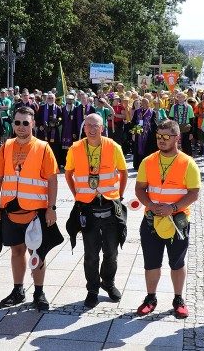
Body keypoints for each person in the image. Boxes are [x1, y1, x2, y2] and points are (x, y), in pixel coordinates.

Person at [0, 107, 63, 311]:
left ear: (33, 125)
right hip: (11, 209)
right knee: (16, 251)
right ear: (12, 124)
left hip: (35, 211)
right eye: (17, 123)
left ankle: (39, 292)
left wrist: (51, 208)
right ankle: (18, 290)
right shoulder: (5, 147)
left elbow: (52, 180)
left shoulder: (43, 147)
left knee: (36, 252)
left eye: (25, 123)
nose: (21, 127)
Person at [134, 119, 200, 318]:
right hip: (151, 219)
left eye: (166, 137)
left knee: (177, 263)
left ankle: (178, 299)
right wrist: (153, 206)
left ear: (177, 138)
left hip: (178, 221)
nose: (161, 140)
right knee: (151, 263)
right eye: (159, 137)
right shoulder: (148, 161)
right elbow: (139, 188)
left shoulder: (188, 163)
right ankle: (150, 297)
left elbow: (194, 192)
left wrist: (173, 208)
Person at [64, 114, 128, 308]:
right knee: (91, 254)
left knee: (111, 252)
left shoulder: (113, 146)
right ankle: (92, 289)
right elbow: (68, 173)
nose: (92, 129)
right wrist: (77, 195)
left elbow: (123, 172)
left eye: (96, 126)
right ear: (84, 128)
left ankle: (108, 282)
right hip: (87, 207)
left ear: (102, 128)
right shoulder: (75, 148)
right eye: (89, 125)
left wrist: (120, 195)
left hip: (109, 206)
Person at [36, 93, 63, 165]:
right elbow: (37, 118)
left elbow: (61, 119)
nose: (50, 99)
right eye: (49, 98)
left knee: (54, 148)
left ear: (54, 99)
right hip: (43, 131)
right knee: (43, 147)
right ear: (46, 99)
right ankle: (42, 163)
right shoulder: (42, 107)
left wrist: (56, 123)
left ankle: (54, 164)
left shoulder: (58, 108)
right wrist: (40, 125)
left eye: (52, 98)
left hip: (54, 131)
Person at [131, 98, 157, 170]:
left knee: (147, 148)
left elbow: (154, 123)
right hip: (138, 131)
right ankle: (138, 165)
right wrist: (133, 133)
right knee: (138, 147)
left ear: (148, 103)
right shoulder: (137, 111)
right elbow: (133, 122)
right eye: (143, 103)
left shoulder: (152, 112)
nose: (144, 104)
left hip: (148, 133)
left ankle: (147, 164)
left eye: (146, 103)